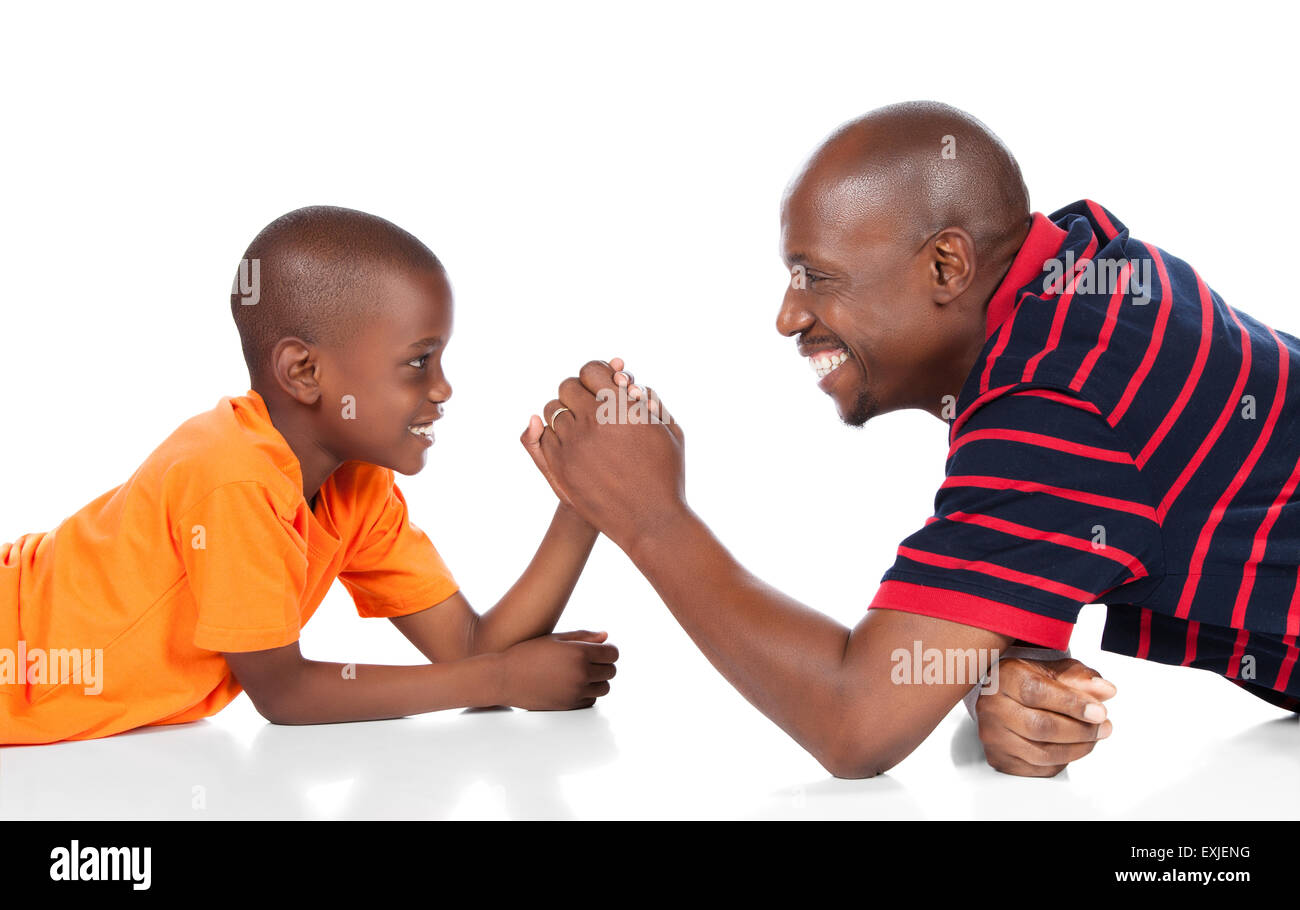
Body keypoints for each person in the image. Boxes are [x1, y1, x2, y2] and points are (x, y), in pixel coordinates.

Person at [529, 101, 1300, 779]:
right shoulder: (1084, 269)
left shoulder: (1053, 396)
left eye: (816, 276)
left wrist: (650, 517)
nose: (788, 317)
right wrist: (986, 662)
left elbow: (853, 721)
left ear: (946, 263)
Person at [0, 205, 618, 745]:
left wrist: (586, 499)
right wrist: (501, 679)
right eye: (418, 361)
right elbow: (285, 695)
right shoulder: (233, 476)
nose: (443, 387)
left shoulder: (358, 489)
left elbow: (467, 646)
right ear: (304, 372)